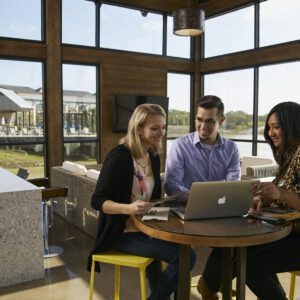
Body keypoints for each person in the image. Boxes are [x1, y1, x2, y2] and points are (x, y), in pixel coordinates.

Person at [87, 103, 196, 300]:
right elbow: (96, 201)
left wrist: (162, 205)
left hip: (147, 227)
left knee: (178, 255)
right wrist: (129, 208)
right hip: (122, 232)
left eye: (163, 127)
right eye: (154, 128)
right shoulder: (119, 157)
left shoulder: (152, 156)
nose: (161, 133)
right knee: (186, 257)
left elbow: (151, 197)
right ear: (139, 129)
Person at [198, 101, 300, 300]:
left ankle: (210, 284)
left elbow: (286, 194)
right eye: (269, 127)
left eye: (276, 127)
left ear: (293, 126)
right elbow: (288, 193)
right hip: (290, 230)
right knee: (238, 244)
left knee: (250, 265)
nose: (271, 133)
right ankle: (209, 284)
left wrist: (280, 194)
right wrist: (265, 198)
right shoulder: (288, 155)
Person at [164, 95, 240, 201]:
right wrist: (197, 198)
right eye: (199, 120)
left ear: (221, 120)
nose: (203, 126)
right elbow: (172, 184)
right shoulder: (180, 146)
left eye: (209, 121)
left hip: (219, 206)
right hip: (186, 206)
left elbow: (233, 185)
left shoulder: (231, 148)